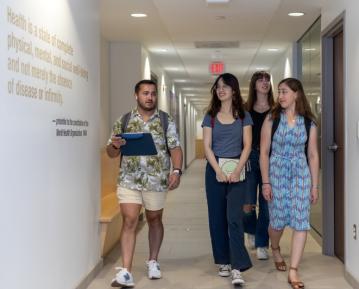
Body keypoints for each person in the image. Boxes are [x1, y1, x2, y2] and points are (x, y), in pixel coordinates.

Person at [107, 79, 183, 288]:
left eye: (153, 93)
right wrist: (114, 146)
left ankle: (153, 261)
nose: (150, 97)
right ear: (136, 95)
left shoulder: (166, 120)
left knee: (154, 219)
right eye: (145, 93)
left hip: (156, 180)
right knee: (130, 220)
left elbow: (175, 147)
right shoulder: (123, 120)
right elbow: (111, 153)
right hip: (129, 180)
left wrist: (176, 171)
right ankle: (126, 271)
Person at [260, 78, 319, 289]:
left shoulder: (308, 122)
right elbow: (264, 153)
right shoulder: (272, 119)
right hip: (276, 173)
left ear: (296, 94)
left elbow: (312, 155)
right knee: (277, 221)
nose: (280, 96)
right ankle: (275, 247)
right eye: (279, 92)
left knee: (301, 220)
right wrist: (265, 182)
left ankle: (294, 270)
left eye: (284, 92)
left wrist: (314, 185)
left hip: (300, 174)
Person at [202, 73, 253, 286]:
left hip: (237, 170)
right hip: (215, 171)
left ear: (234, 90)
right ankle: (222, 260)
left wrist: (236, 170)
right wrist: (218, 170)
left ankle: (237, 266)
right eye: (218, 86)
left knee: (234, 218)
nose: (221, 90)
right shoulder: (210, 116)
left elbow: (247, 145)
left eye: (225, 86)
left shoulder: (244, 116)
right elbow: (206, 146)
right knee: (217, 218)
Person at [243, 71, 274, 260]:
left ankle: (263, 243)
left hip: (271, 159)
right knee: (247, 204)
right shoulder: (245, 109)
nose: (265, 83)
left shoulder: (277, 109)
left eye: (267, 80)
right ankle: (251, 230)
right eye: (261, 80)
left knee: (267, 204)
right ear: (254, 85)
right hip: (249, 157)